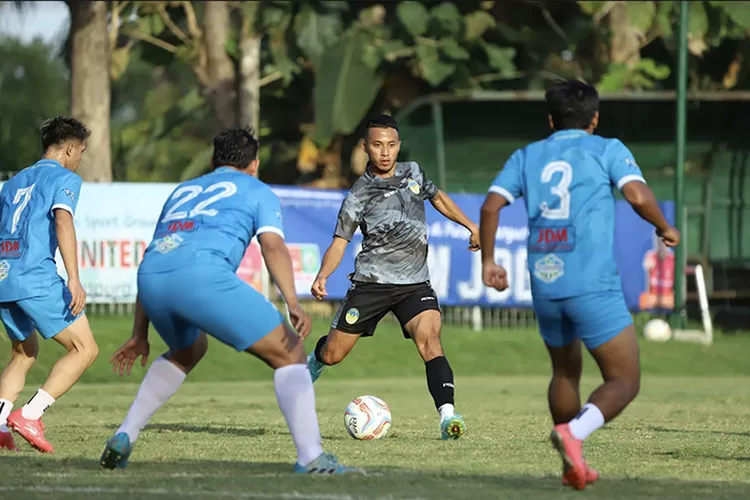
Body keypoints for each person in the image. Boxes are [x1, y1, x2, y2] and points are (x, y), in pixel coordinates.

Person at [100, 128, 360, 475]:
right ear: (254, 164)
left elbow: (158, 254)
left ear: (212, 161)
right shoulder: (257, 189)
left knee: (187, 351)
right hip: (203, 277)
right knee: (290, 352)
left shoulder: (184, 190)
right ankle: (311, 457)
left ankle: (124, 434)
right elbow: (273, 246)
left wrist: (139, 334)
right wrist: (293, 303)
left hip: (150, 279)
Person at [479, 80, 680, 490]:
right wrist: (664, 226)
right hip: (592, 282)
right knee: (624, 380)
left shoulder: (527, 155)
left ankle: (574, 462)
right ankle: (575, 433)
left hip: (546, 279)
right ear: (595, 118)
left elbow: (491, 205)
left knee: (565, 372)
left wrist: (488, 260)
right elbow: (638, 196)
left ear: (550, 120)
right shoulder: (607, 148)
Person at [306, 114, 480, 440]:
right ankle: (313, 361)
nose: (385, 152)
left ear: (398, 145)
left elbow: (438, 197)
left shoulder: (413, 172)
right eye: (377, 145)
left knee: (430, 341)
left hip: (414, 284)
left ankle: (448, 417)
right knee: (333, 354)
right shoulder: (358, 194)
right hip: (371, 283)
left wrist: (471, 226)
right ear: (365, 147)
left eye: (390, 145)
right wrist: (323, 275)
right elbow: (339, 241)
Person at [0, 116, 99, 453]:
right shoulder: (64, 177)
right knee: (85, 349)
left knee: (24, 353)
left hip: (4, 276)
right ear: (70, 148)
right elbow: (63, 220)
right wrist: (73, 277)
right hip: (35, 277)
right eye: (81, 151)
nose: (80, 158)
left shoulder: (14, 182)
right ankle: (30, 414)